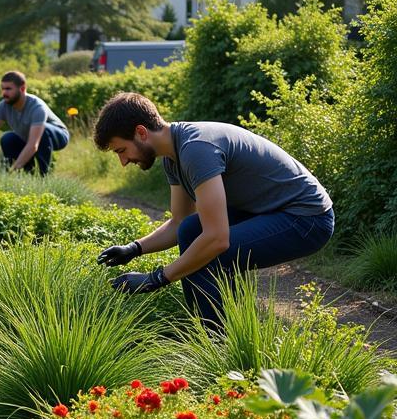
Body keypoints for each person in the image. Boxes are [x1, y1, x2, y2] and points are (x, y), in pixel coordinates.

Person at [92, 92, 335, 327]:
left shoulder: (196, 149)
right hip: (270, 210)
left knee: (209, 252)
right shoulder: (173, 156)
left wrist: (155, 279)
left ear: (141, 132)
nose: (123, 162)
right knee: (190, 230)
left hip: (307, 218)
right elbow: (179, 222)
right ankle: (214, 331)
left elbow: (216, 239)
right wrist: (134, 249)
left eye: (121, 150)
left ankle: (218, 340)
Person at [0, 70, 70, 174]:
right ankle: (27, 172)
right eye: (2, 89)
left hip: (58, 135)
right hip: (28, 137)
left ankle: (43, 175)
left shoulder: (37, 107)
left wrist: (13, 170)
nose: (4, 93)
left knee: (43, 132)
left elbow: (33, 144)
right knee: (7, 138)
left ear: (22, 88)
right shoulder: (4, 105)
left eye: (8, 89)